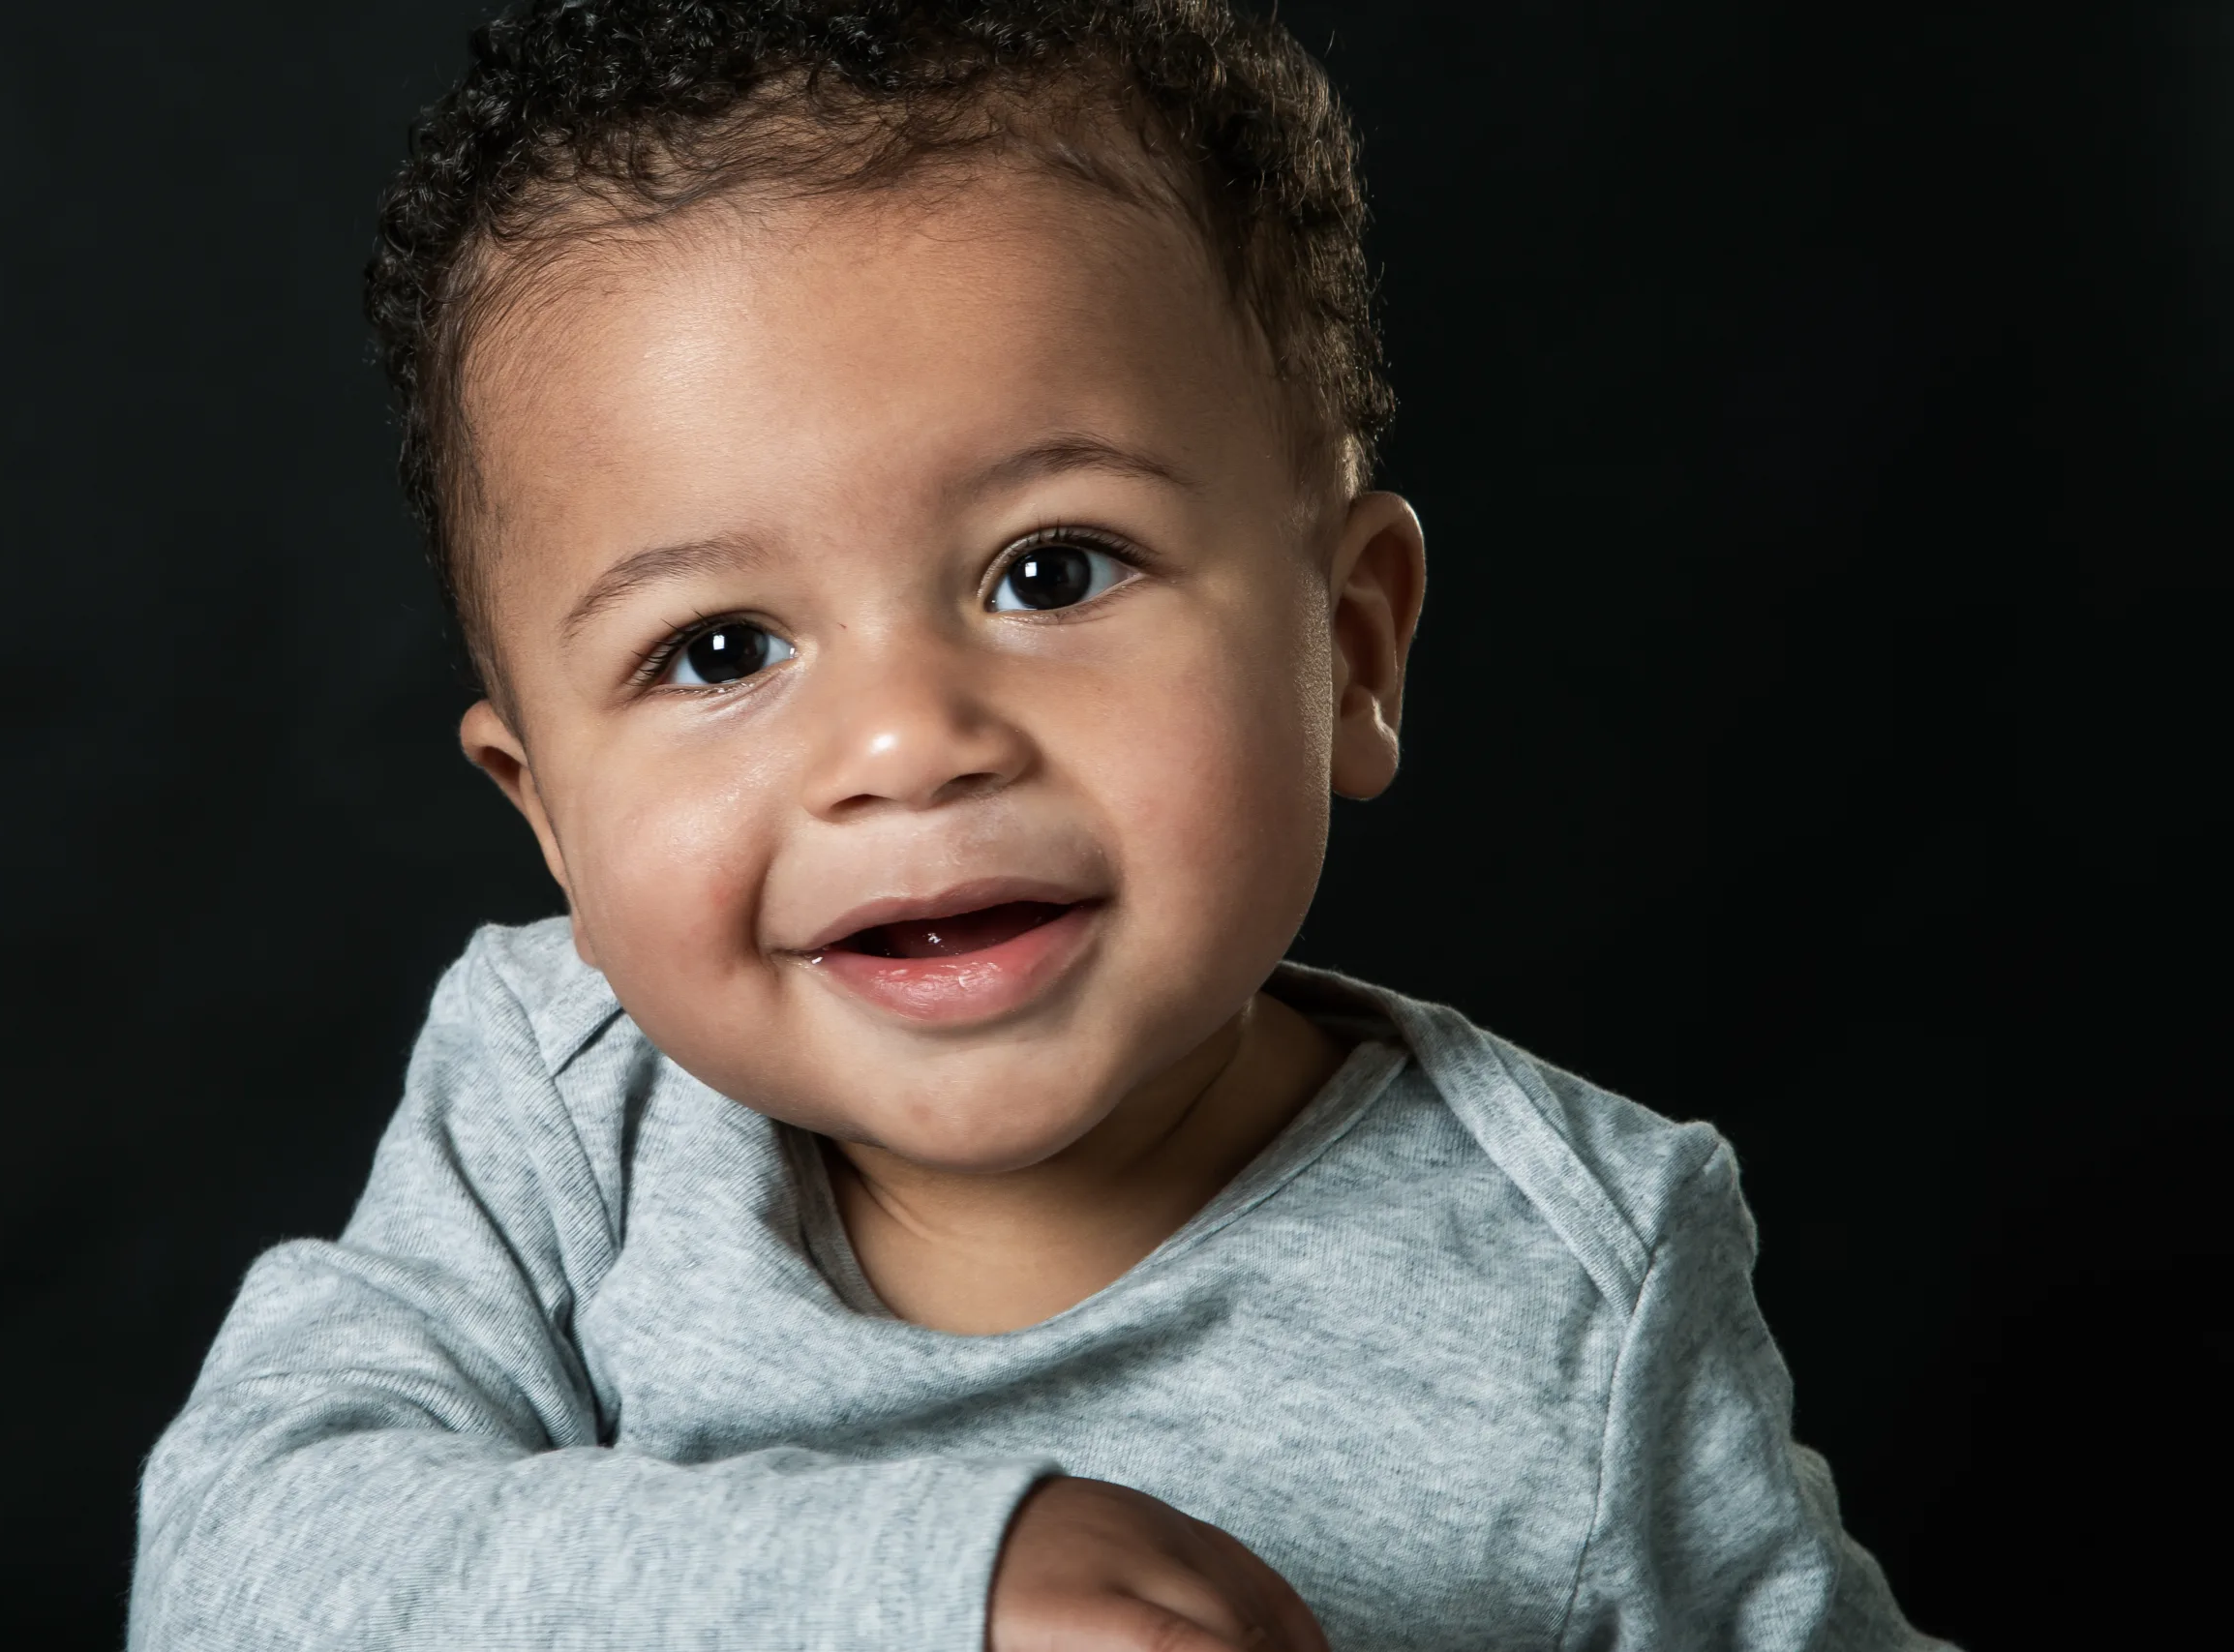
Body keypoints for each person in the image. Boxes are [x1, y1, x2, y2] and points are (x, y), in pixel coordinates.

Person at [132, 3, 1944, 1647]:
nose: (908, 743)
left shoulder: (1580, 1281)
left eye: (1050, 569)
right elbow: (235, 1570)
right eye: (718, 648)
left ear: (1350, 647)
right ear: (552, 824)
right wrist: (939, 1584)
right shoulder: (559, 1116)